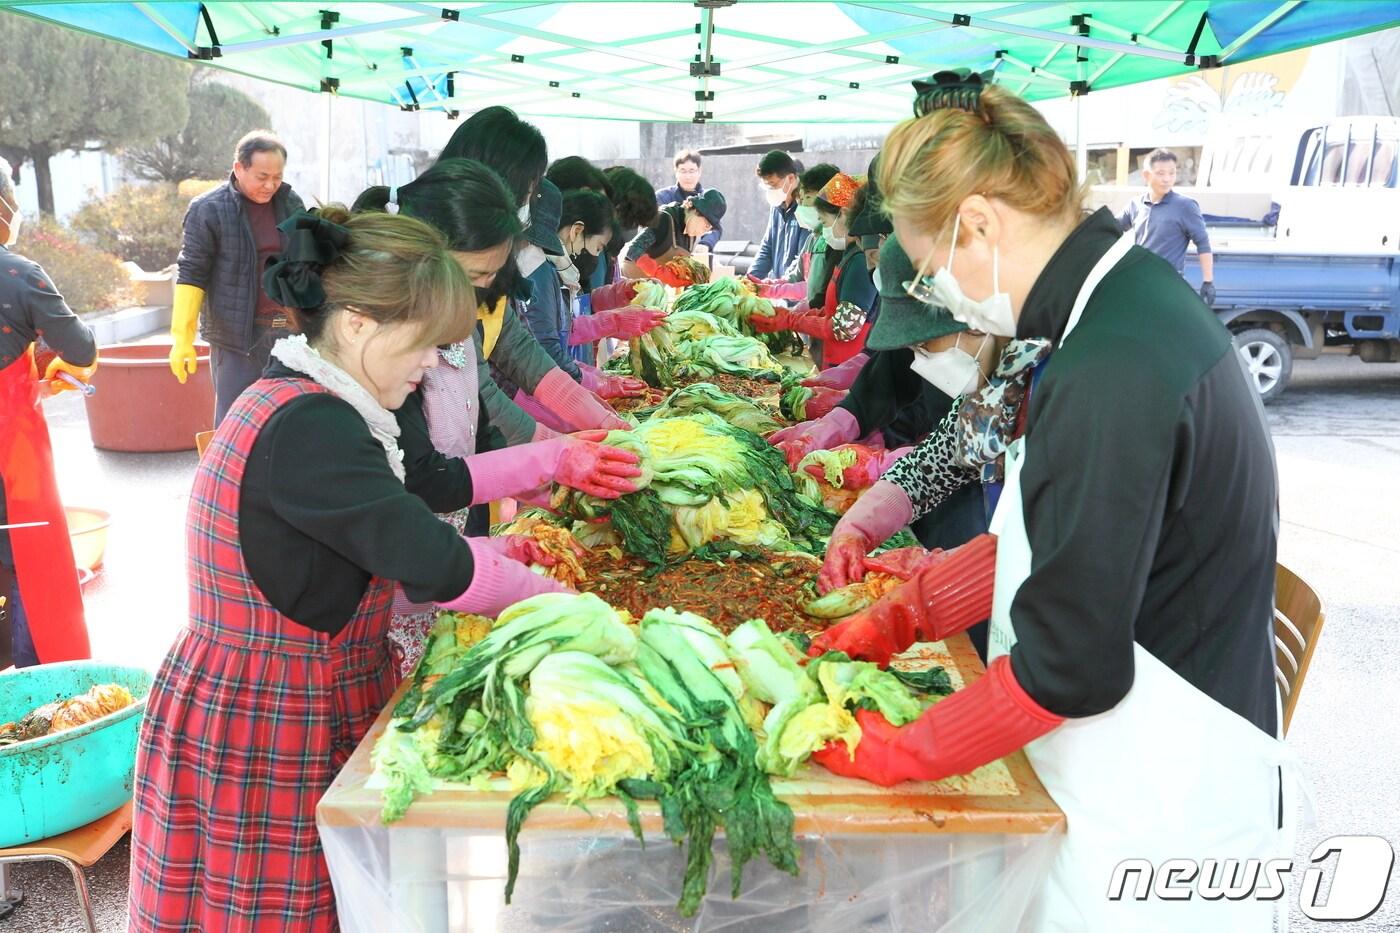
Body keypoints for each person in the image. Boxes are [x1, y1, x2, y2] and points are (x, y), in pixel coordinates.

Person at [808, 73, 1289, 930]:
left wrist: (901, 753)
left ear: (980, 224)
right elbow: (1074, 538)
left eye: (928, 274)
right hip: (1130, 758)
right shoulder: (1116, 307)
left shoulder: (1110, 365)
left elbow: (1071, 665)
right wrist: (916, 606)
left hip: (1155, 811)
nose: (939, 298)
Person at [128, 208, 571, 932]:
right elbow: (429, 559)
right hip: (268, 718)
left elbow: (395, 522)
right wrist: (566, 603)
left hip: (280, 688)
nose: (432, 364)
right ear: (360, 324)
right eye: (425, 345)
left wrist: (521, 525)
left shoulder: (311, 401)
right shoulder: (313, 427)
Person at [770, 236, 987, 556]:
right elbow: (949, 447)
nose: (917, 355)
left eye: (922, 344)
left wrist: (880, 460)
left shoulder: (1030, 375)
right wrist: (833, 428)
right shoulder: (954, 357)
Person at [0, 165, 96, 667]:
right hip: (10, 452)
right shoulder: (18, 275)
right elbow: (79, 345)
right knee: (28, 556)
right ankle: (32, 683)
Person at [170, 130, 305, 425]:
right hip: (236, 338)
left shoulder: (290, 202)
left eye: (277, 176)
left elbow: (306, 262)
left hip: (288, 331)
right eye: (261, 176)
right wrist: (182, 337)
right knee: (236, 423)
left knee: (290, 420)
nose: (270, 185)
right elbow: (192, 272)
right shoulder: (208, 209)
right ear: (239, 168)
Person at [751, 174, 874, 368]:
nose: (824, 230)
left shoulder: (859, 261)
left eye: (824, 222)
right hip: (835, 360)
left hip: (849, 366)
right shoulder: (849, 255)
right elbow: (834, 309)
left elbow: (845, 327)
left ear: (842, 214)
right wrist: (792, 317)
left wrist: (792, 320)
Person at [1119, 147, 1216, 304]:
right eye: (1161, 173)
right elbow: (1113, 227)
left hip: (1169, 285)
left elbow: (1203, 243)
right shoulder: (1135, 205)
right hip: (1139, 283)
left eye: (1172, 173)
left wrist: (1208, 282)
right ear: (1146, 175)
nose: (1167, 179)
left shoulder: (1186, 206)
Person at [619, 188, 726, 281]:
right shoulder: (663, 219)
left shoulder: (691, 235)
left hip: (655, 291)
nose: (704, 231)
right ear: (695, 210)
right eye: (706, 225)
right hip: (630, 286)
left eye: (709, 228)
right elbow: (633, 250)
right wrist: (657, 271)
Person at [748, 150, 809, 280]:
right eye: (766, 186)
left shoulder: (807, 208)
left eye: (773, 185)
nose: (770, 191)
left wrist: (781, 287)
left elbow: (803, 259)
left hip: (797, 292)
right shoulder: (777, 205)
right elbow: (767, 248)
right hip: (780, 290)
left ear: (791, 178)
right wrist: (749, 280)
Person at [655, 149, 721, 250]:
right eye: (683, 171)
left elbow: (715, 227)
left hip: (698, 251)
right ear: (676, 171)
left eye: (692, 171)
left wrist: (705, 244)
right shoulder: (662, 197)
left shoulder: (707, 198)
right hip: (666, 253)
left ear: (699, 171)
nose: (688, 176)